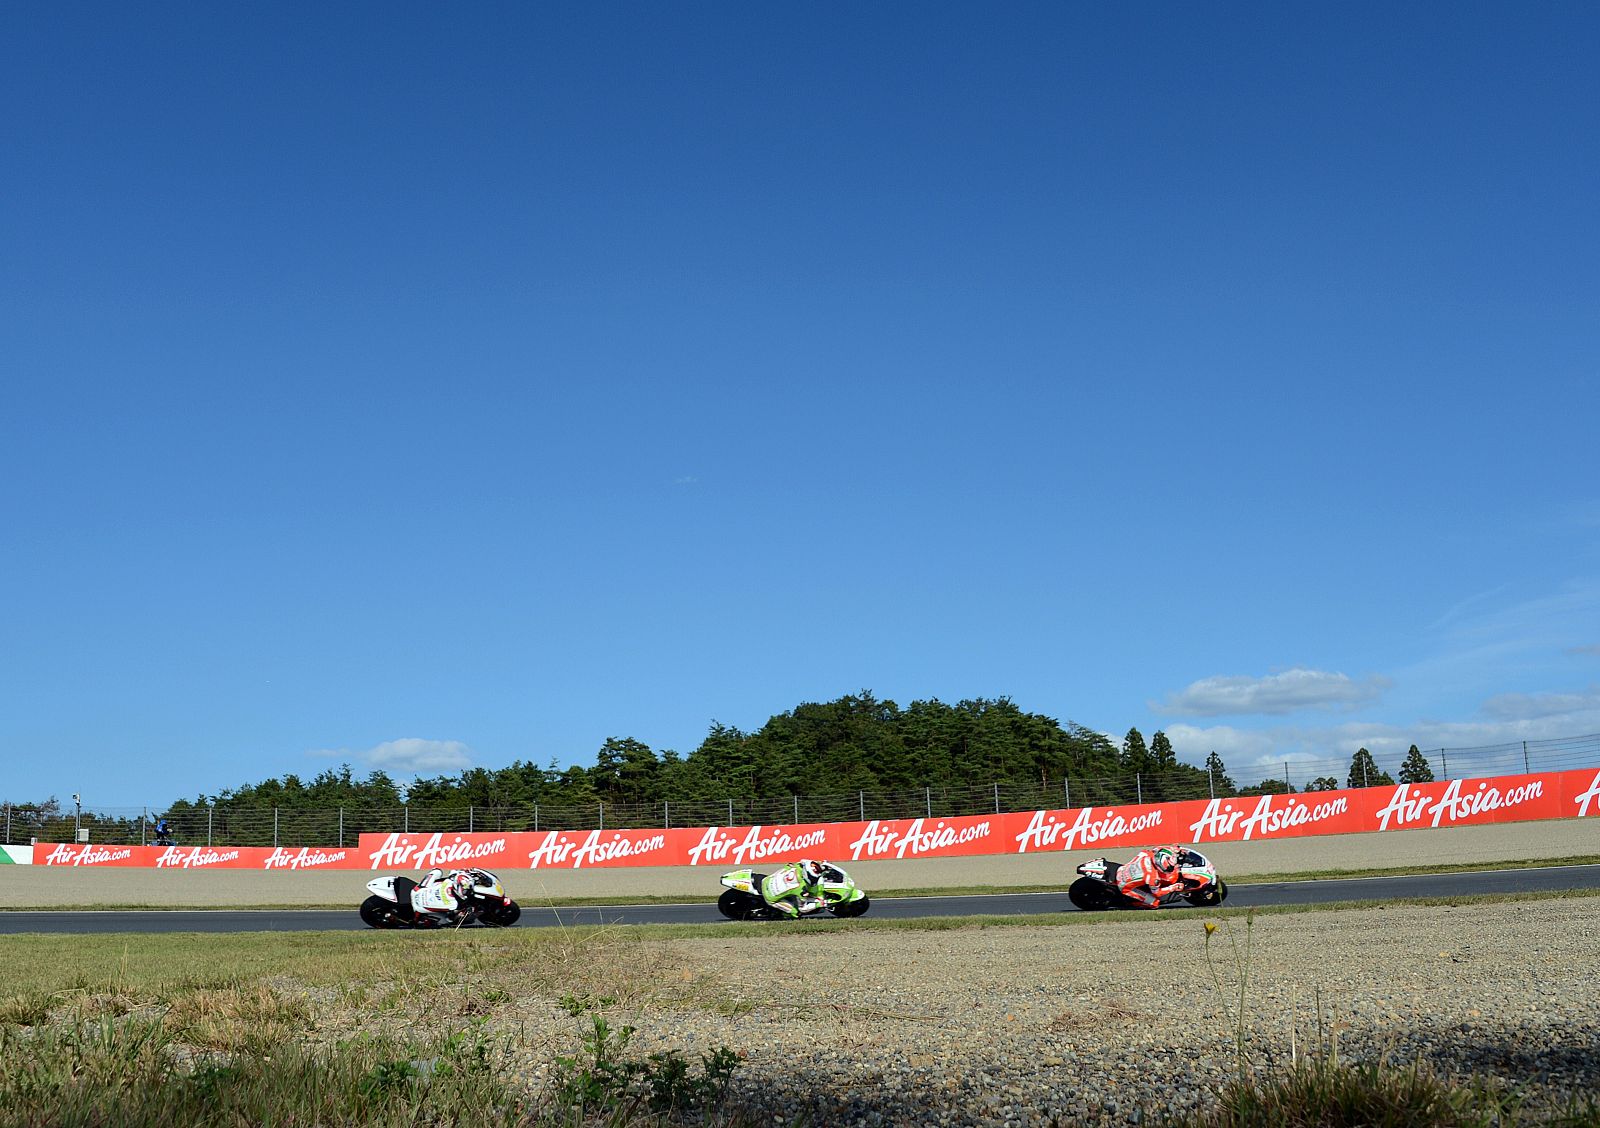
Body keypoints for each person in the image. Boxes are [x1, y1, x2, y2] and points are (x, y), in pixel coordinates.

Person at [1115, 845, 1186, 908]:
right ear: (1160, 866)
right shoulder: (1153, 878)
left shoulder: (1149, 854)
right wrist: (1173, 887)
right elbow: (1157, 893)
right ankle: (1132, 904)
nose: (1171, 869)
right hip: (1123, 886)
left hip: (1122, 869)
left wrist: (1174, 849)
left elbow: (1159, 848)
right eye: (1169, 868)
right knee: (1155, 903)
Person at [760, 859, 833, 918]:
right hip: (770, 897)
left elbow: (805, 862)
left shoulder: (798, 866)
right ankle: (781, 916)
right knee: (797, 912)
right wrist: (820, 904)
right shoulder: (801, 888)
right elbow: (803, 908)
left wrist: (822, 866)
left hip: (767, 880)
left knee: (788, 867)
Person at [410, 867, 478, 923]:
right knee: (448, 920)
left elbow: (453, 871)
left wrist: (466, 871)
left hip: (418, 890)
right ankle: (418, 919)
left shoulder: (450, 881)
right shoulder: (454, 904)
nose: (467, 891)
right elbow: (452, 918)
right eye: (465, 890)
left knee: (437, 871)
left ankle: (418, 918)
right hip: (419, 907)